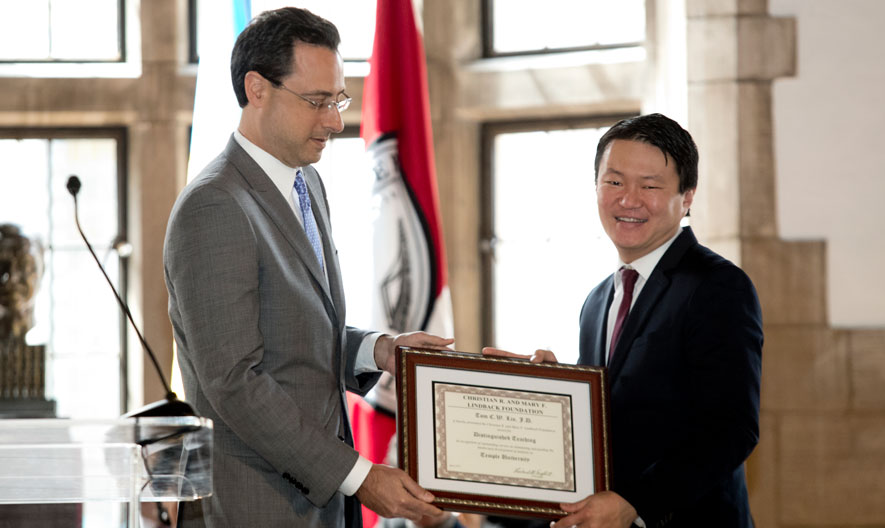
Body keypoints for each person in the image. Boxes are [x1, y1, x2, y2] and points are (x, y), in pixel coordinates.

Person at [163, 8, 452, 527]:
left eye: (337, 99)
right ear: (257, 89)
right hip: (259, 507)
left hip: (320, 506)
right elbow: (235, 381)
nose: (336, 121)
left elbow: (292, 335)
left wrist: (377, 349)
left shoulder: (306, 184)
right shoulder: (214, 207)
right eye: (318, 101)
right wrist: (361, 477)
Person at [488, 113, 763, 527]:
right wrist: (554, 393)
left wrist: (635, 501)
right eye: (614, 182)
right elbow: (616, 421)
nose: (628, 199)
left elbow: (730, 429)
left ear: (687, 197)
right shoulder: (597, 301)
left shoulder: (718, 287)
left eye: (650, 186)